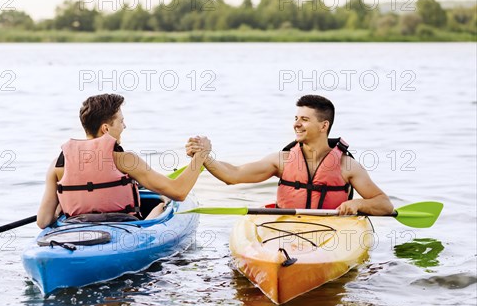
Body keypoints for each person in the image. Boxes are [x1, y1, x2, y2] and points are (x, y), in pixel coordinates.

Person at [186, 95, 394, 215]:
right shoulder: (282, 160)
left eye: (304, 119)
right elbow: (234, 174)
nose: (296, 124)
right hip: (285, 228)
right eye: (296, 117)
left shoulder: (347, 166)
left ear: (324, 125)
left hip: (330, 231)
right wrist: (204, 157)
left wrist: (358, 204)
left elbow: (384, 204)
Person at [37, 94, 209, 228]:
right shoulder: (125, 160)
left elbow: (43, 221)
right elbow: (178, 192)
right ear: (106, 129)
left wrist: (61, 209)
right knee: (162, 203)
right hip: (125, 229)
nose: (124, 126)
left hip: (75, 227)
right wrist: (201, 155)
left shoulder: (58, 164)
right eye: (121, 121)